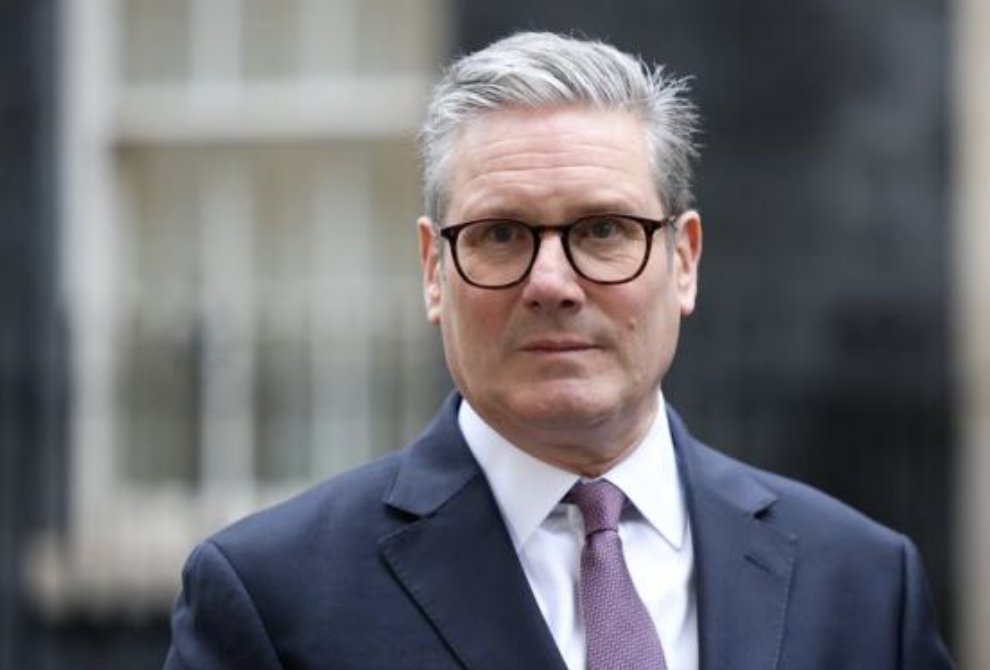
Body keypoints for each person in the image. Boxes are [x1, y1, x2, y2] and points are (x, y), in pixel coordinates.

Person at [164, 32, 955, 670]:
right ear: (433, 270)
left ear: (683, 261)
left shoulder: (862, 583)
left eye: (604, 229)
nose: (551, 283)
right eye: (501, 234)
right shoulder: (273, 599)